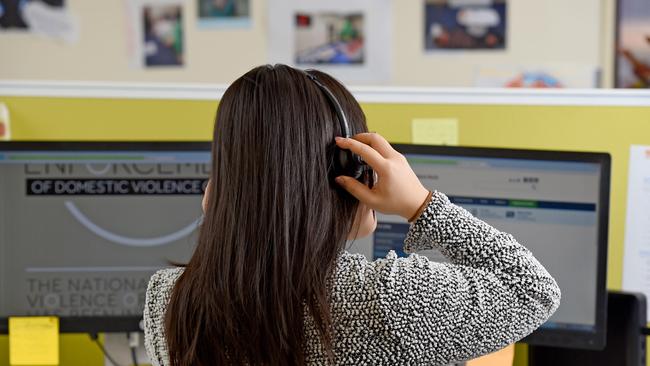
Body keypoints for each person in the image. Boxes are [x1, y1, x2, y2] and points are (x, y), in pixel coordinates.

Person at [143, 64, 560, 366]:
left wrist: (228, 220)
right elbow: (533, 292)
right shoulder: (389, 299)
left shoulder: (169, 301)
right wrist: (421, 204)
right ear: (348, 176)